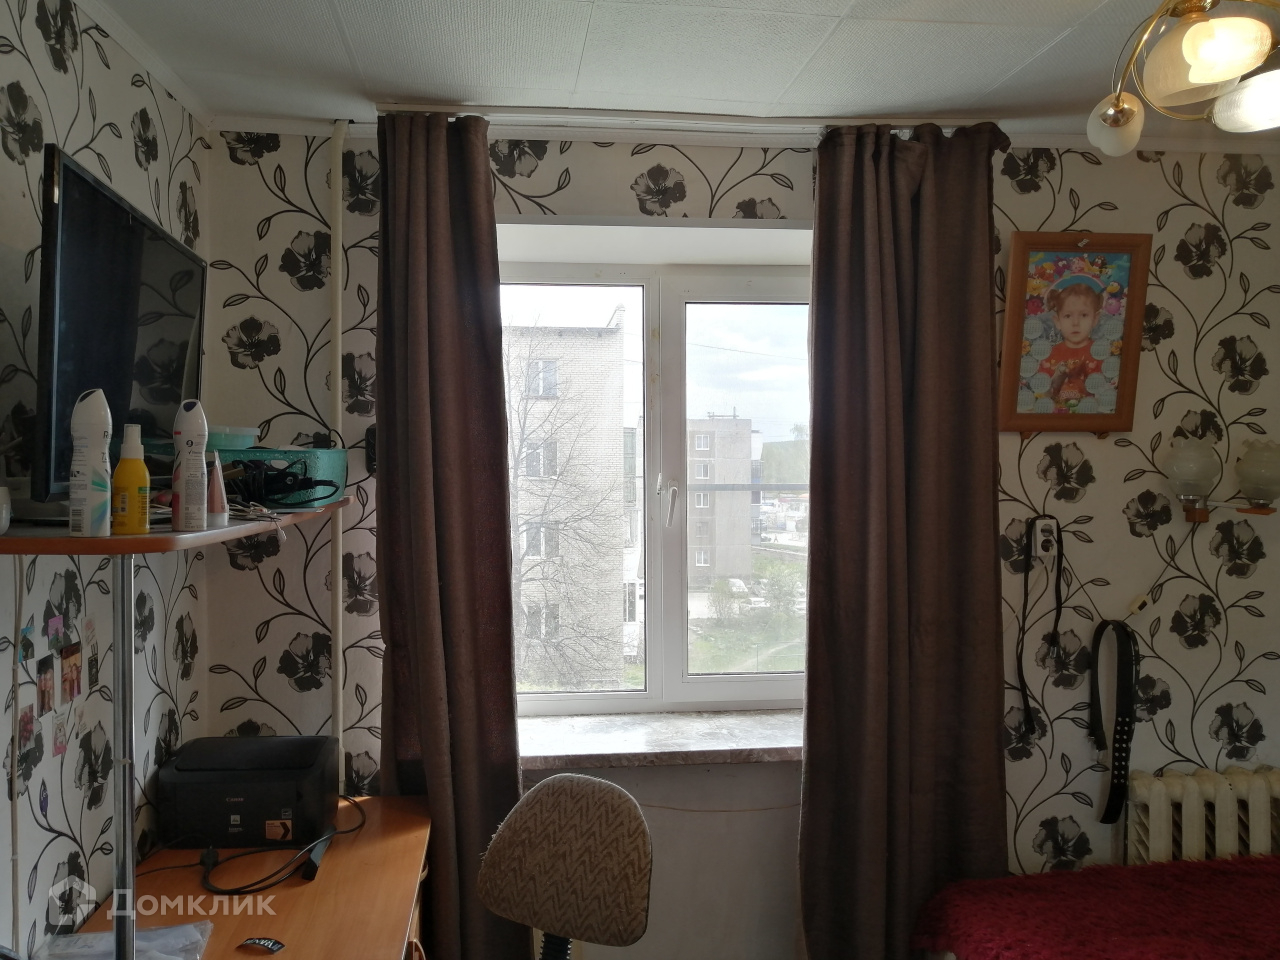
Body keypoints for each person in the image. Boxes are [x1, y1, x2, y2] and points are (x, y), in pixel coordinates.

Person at [1037, 279, 1105, 412]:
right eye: (1068, 316)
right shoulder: (1050, 354)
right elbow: (1042, 392)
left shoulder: (1100, 354)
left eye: (1084, 315)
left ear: (1095, 319)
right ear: (1058, 321)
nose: (1075, 323)